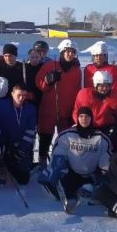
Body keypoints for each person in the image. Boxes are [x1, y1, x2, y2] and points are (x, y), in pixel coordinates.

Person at [38, 107, 111, 214]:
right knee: (55, 190)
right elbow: (58, 151)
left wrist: (104, 172)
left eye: (87, 116)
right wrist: (58, 167)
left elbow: (107, 155)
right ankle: (70, 194)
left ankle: (87, 190)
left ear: (91, 119)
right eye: (81, 116)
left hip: (92, 175)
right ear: (77, 118)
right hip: (72, 173)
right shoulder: (67, 134)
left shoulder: (101, 137)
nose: (84, 119)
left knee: (98, 191)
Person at [35, 39, 82, 168]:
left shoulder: (77, 71)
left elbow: (79, 90)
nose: (70, 54)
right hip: (49, 108)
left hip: (67, 110)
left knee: (66, 138)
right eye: (67, 51)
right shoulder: (50, 66)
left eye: (72, 52)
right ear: (61, 52)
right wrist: (48, 80)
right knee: (45, 134)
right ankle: (43, 158)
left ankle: (63, 160)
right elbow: (39, 83)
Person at [0, 84, 37, 186]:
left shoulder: (31, 109)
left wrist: (21, 150)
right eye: (19, 95)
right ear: (12, 94)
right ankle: (2, 167)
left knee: (23, 180)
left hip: (22, 144)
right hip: (6, 142)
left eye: (24, 96)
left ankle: (16, 165)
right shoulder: (2, 105)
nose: (21, 98)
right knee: (4, 153)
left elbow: (30, 132)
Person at [0, 43, 24, 112]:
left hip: (14, 102)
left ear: (15, 56)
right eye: (5, 56)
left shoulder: (22, 68)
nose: (7, 58)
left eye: (10, 56)